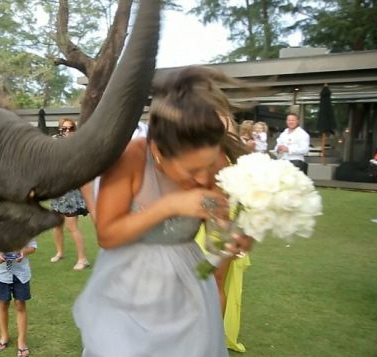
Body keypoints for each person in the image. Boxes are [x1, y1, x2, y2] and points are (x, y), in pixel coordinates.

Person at [73, 66, 254, 357]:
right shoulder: (130, 158)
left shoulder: (214, 157)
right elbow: (107, 235)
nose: (201, 179)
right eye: (192, 169)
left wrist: (235, 238)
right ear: (157, 149)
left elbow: (220, 234)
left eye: (206, 166)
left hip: (189, 288)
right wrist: (169, 206)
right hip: (127, 285)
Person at [194, 114, 252, 353]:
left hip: (218, 223)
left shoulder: (226, 159)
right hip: (213, 223)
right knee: (208, 283)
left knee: (212, 283)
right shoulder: (216, 155)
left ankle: (208, 341)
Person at [49, 118, 90, 271]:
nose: (67, 131)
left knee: (71, 227)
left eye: (70, 128)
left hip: (71, 193)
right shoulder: (55, 143)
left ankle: (83, 259)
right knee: (57, 225)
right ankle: (59, 252)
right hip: (57, 191)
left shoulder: (79, 146)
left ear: (75, 129)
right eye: (63, 129)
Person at [0, 239, 37, 357]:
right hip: (0, 273)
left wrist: (23, 252)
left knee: (20, 304)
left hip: (21, 273)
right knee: (3, 303)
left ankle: (21, 341)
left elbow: (33, 247)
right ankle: (4, 336)